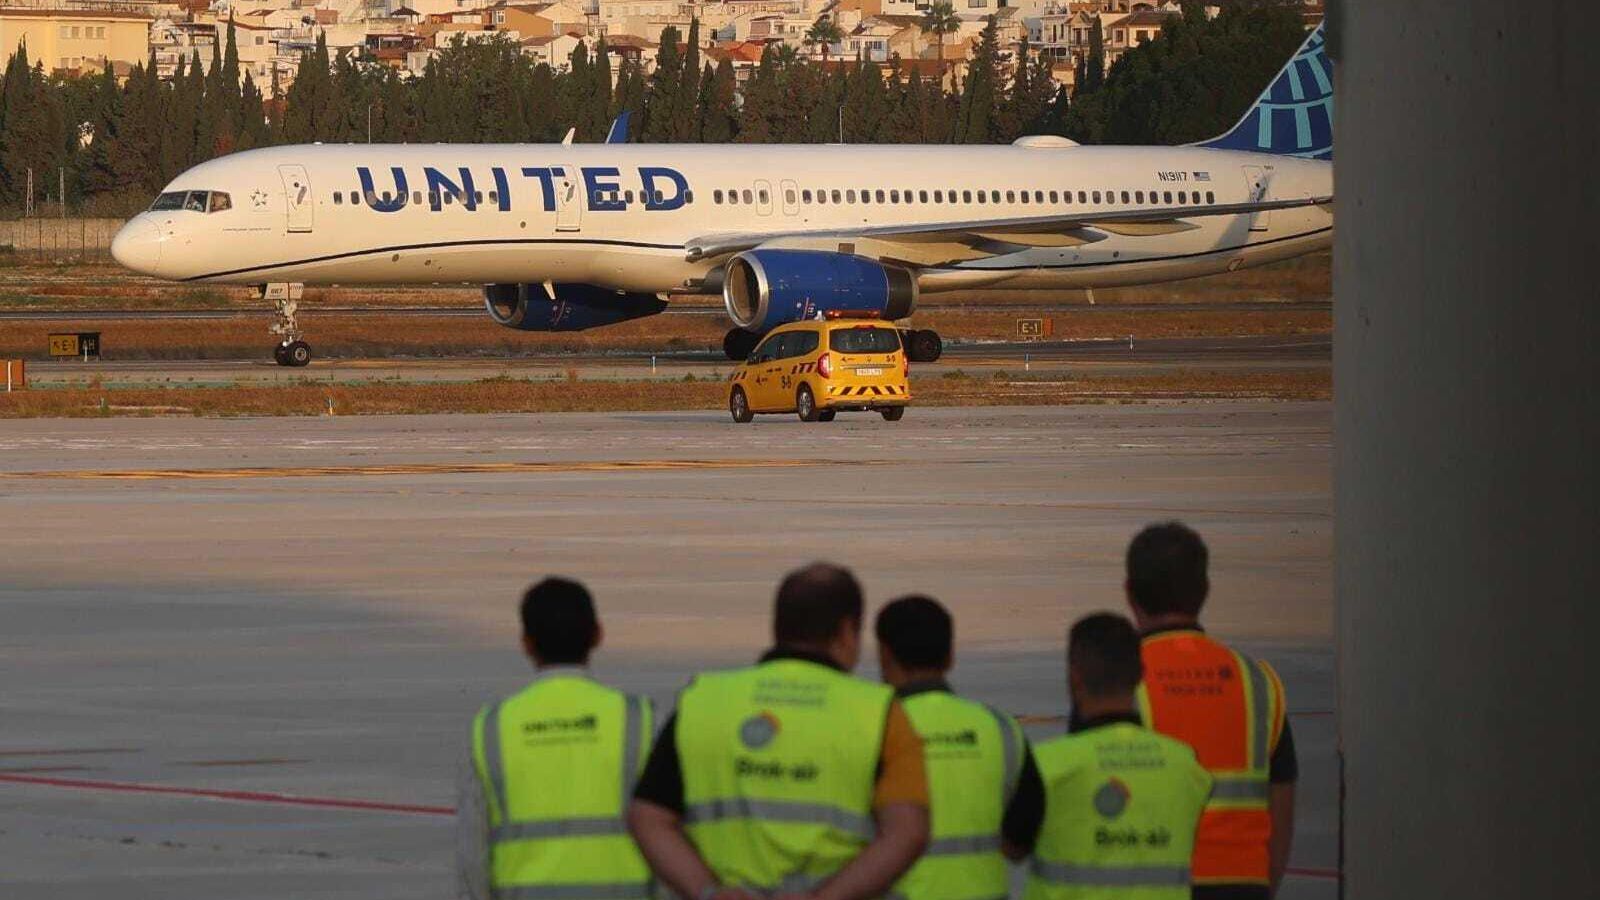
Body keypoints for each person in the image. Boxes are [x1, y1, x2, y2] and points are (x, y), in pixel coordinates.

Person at [627, 563, 930, 900]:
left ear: (777, 627)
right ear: (847, 632)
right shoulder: (880, 712)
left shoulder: (703, 700)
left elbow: (648, 816)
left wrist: (709, 891)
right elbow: (908, 831)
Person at [1124, 523, 1297, 899]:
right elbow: (1282, 802)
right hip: (1244, 884)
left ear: (1130, 594)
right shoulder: (1258, 683)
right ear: (1204, 590)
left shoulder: (1119, 683)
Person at [457, 577, 654, 900]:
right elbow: (669, 833)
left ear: (526, 643)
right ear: (597, 634)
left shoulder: (491, 729)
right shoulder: (639, 721)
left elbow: (472, 854)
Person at [1025, 613, 1212, 900]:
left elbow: (1013, 846)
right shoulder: (1186, 764)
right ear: (1140, 675)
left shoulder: (1046, 763)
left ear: (1075, 677)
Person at [874, 595, 1045, 900]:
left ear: (884, 656)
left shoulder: (871, 732)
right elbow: (1020, 842)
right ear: (950, 656)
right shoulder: (1000, 729)